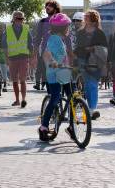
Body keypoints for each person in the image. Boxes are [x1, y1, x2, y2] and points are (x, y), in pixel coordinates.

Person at [38, 13, 75, 141]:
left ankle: (72, 126)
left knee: (72, 96)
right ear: (63, 28)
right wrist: (52, 61)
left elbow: (64, 57)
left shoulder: (63, 39)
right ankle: (44, 126)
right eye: (68, 27)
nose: (69, 29)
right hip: (53, 73)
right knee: (55, 98)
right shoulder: (54, 39)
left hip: (63, 72)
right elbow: (46, 54)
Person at [74, 9, 108, 120]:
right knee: (87, 85)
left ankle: (92, 109)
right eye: (86, 16)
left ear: (94, 19)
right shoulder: (80, 32)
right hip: (82, 59)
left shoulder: (100, 32)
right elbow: (77, 46)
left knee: (92, 84)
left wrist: (93, 48)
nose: (85, 17)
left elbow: (105, 48)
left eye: (88, 16)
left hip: (95, 61)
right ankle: (87, 107)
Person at [3, 11, 33, 107]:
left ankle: (23, 99)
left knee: (23, 80)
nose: (20, 20)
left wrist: (32, 57)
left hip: (24, 57)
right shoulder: (7, 30)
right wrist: (6, 58)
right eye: (18, 18)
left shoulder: (26, 29)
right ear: (13, 19)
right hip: (12, 58)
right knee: (15, 80)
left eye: (22, 19)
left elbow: (30, 44)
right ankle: (17, 100)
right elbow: (4, 45)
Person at [33, 0, 61, 90]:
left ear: (55, 9)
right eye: (46, 6)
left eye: (50, 6)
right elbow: (38, 38)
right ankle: (52, 97)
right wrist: (35, 52)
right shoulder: (42, 21)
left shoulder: (61, 20)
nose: (47, 7)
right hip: (45, 52)